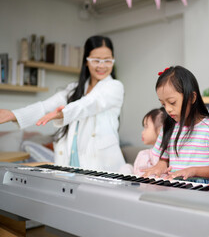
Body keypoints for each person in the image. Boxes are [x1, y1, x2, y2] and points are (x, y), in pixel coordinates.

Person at [0, 35, 128, 173]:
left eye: (107, 60)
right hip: (72, 163)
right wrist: (14, 115)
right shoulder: (73, 89)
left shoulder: (115, 87)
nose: (102, 65)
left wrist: (63, 113)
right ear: (86, 61)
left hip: (103, 166)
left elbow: (89, 104)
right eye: (96, 60)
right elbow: (45, 106)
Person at [142, 66, 209, 184]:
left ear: (192, 97)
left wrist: (193, 171)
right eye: (164, 104)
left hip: (202, 190)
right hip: (174, 186)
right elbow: (164, 160)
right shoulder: (168, 127)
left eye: (172, 102)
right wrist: (159, 167)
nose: (168, 109)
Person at [133, 107, 166, 176]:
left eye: (146, 127)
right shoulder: (144, 155)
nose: (142, 132)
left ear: (161, 129)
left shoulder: (171, 156)